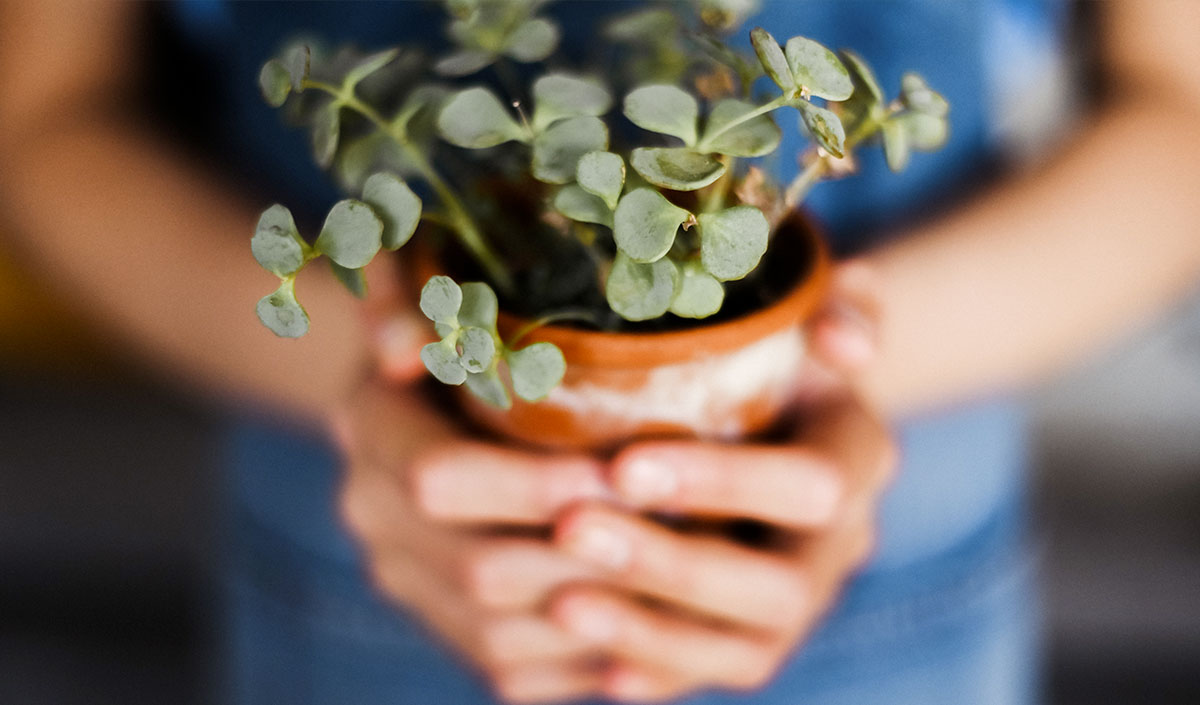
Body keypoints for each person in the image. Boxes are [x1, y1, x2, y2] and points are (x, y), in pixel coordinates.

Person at [2, 1, 1200, 703]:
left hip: (897, 554)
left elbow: (1179, 112)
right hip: (370, 541)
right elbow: (44, 116)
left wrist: (805, 366)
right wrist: (386, 379)